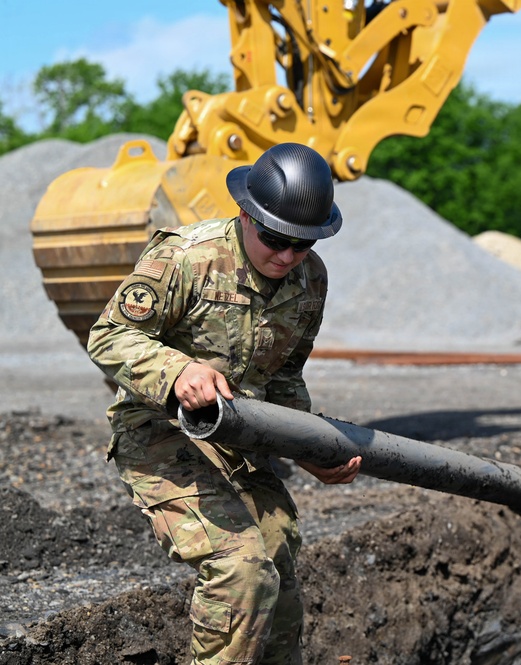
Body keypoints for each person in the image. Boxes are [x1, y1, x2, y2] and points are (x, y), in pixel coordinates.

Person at [87, 142, 362, 664]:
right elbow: (108, 336)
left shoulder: (311, 279)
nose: (285, 256)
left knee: (279, 546)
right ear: (246, 214)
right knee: (241, 568)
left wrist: (309, 448)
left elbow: (284, 380)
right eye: (275, 239)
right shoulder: (186, 257)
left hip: (236, 438)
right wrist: (177, 371)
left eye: (301, 244)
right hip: (158, 433)